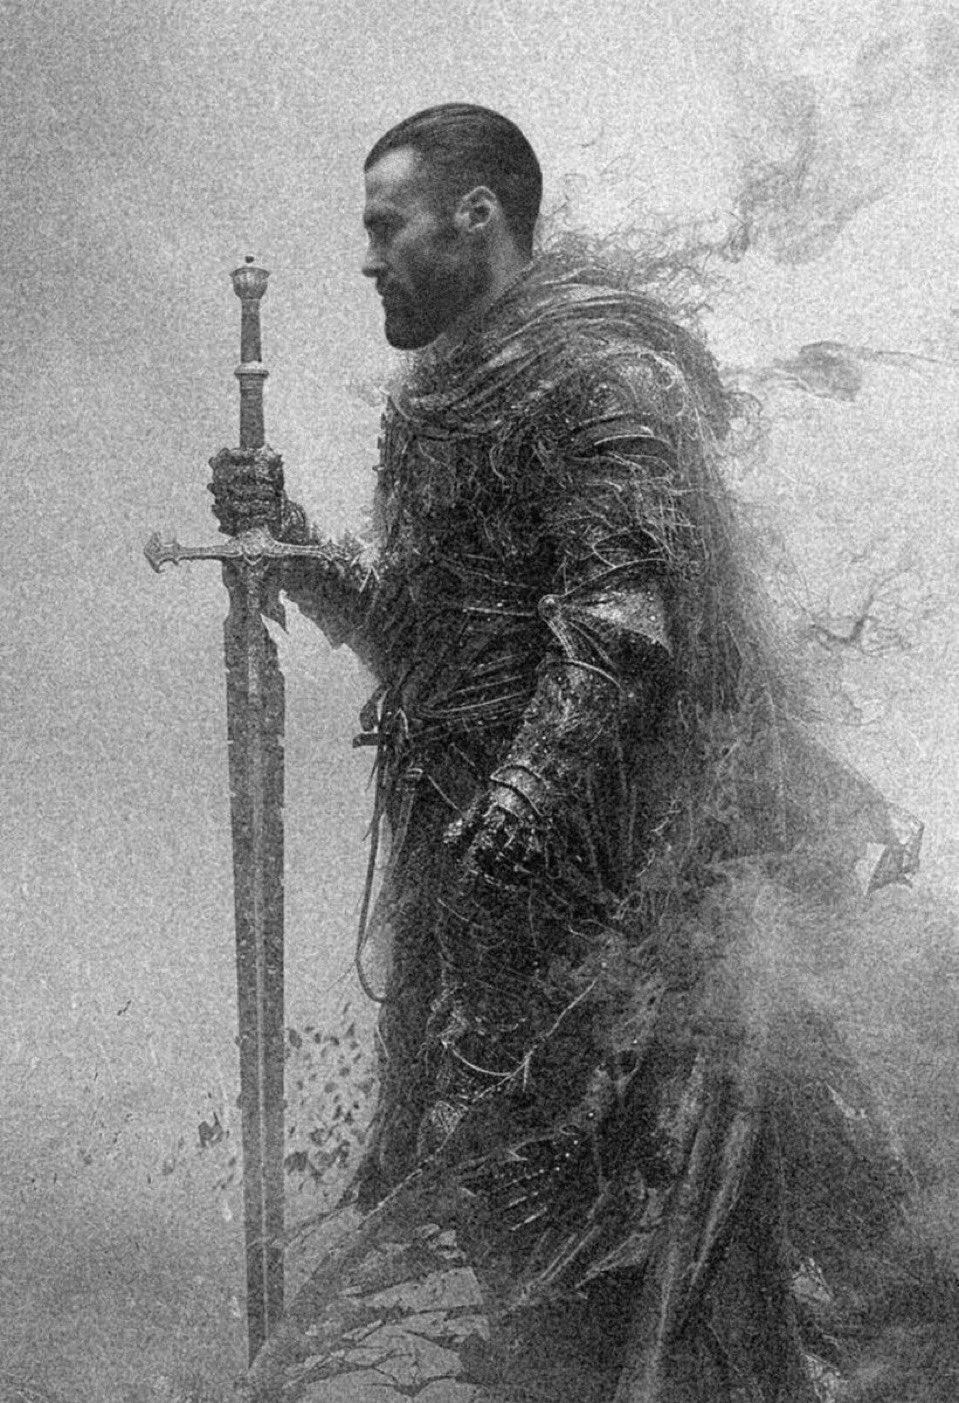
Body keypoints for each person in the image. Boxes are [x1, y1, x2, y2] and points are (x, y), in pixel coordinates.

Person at [213, 104, 923, 1403]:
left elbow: (622, 618)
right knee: (522, 1253)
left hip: (610, 907)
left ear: (477, 215)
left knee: (611, 1239)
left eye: (387, 226)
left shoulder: (600, 380)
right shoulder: (441, 396)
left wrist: (533, 783)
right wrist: (295, 545)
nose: (368, 258)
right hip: (476, 909)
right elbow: (429, 642)